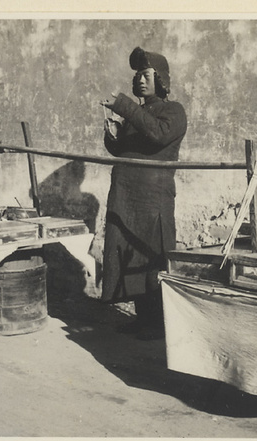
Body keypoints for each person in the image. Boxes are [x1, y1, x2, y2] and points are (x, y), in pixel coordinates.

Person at [100, 46, 187, 340]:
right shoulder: (138, 114)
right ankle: (144, 320)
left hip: (153, 200)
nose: (139, 79)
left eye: (146, 74)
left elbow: (158, 135)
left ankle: (160, 324)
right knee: (130, 256)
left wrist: (124, 107)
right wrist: (112, 137)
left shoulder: (173, 111)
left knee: (152, 261)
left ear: (160, 79)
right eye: (137, 75)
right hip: (127, 197)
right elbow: (126, 149)